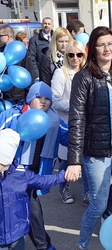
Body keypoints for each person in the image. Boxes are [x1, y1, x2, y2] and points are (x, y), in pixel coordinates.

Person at [66, 26, 112, 250]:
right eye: (101, 44)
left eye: (110, 44)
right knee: (98, 203)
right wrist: (74, 160)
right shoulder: (84, 78)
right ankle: (82, 245)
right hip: (97, 151)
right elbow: (76, 119)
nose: (107, 48)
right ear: (92, 49)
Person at [0, 81, 69, 250]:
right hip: (10, 172)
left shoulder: (54, 121)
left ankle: (33, 242)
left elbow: (71, 138)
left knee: (27, 208)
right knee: (29, 209)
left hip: (34, 172)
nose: (43, 101)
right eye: (39, 97)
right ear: (30, 98)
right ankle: (42, 245)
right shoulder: (12, 115)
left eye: (47, 98)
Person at [51, 40, 87, 205]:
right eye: (71, 55)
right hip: (67, 124)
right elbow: (55, 100)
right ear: (66, 56)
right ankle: (63, 187)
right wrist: (76, 106)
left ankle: (87, 192)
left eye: (78, 54)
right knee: (67, 159)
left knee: (87, 159)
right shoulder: (61, 73)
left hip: (87, 123)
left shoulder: (87, 72)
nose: (75, 58)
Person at [0, 25, 34, 104]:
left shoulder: (21, 50)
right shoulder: (1, 51)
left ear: (8, 36)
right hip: (5, 93)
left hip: (20, 94)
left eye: (0, 35)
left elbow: (29, 71)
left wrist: (29, 94)